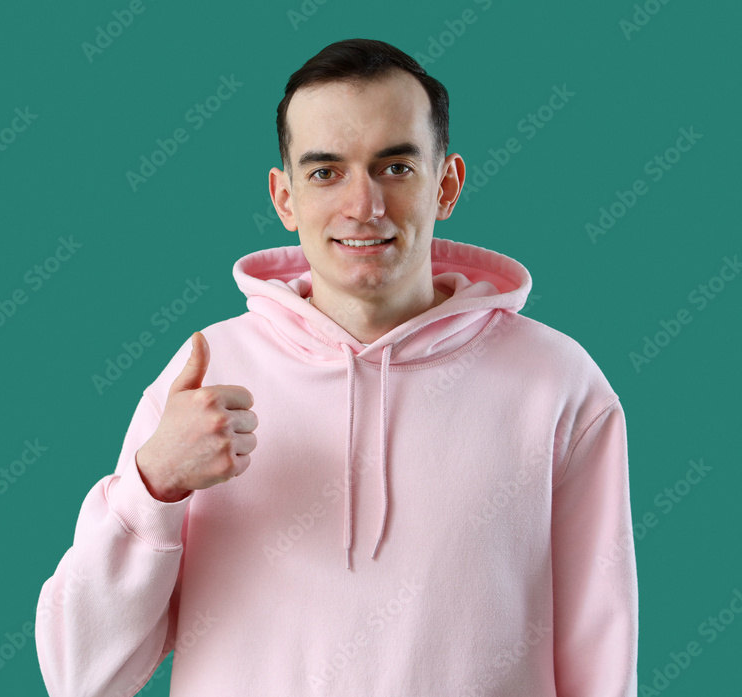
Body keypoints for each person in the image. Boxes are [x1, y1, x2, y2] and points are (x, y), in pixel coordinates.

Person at [35, 38, 638, 696]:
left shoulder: (559, 384)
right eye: (326, 171)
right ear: (283, 196)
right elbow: (79, 675)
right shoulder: (203, 375)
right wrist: (153, 485)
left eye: (396, 168)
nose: (364, 205)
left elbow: (600, 655)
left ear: (448, 183)